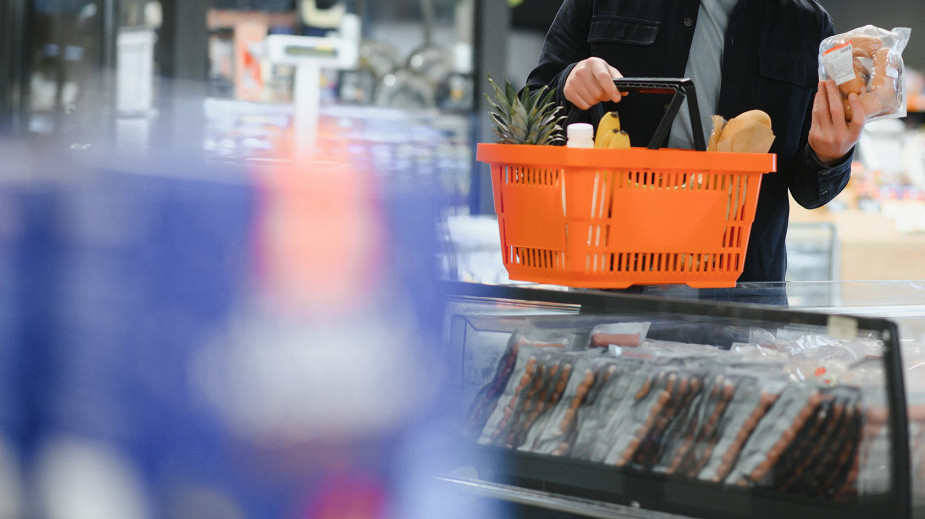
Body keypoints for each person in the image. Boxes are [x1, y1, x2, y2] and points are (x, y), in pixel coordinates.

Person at [526, 0, 865, 282]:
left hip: (743, 292)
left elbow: (809, 192)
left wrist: (830, 155)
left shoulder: (807, 26)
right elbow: (531, 108)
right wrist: (567, 82)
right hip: (616, 278)